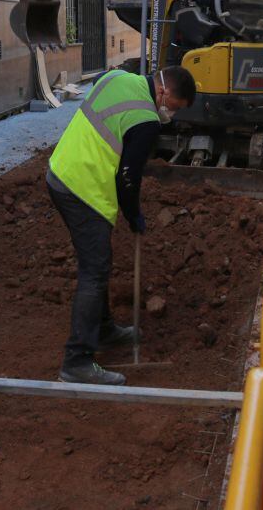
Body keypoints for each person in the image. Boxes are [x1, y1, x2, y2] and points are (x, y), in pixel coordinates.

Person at [47, 66, 196, 385]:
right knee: (95, 270)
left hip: (60, 171)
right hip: (82, 187)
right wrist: (133, 215)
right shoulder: (146, 119)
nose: (171, 114)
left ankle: (102, 330)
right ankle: (77, 360)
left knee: (97, 262)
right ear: (164, 93)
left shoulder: (118, 77)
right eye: (174, 107)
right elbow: (128, 179)